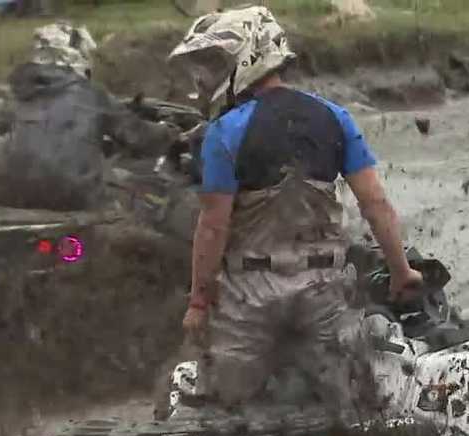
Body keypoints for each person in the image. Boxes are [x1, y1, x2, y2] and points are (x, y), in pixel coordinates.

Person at [167, 6, 423, 412]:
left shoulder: (225, 132)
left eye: (215, 63)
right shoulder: (334, 117)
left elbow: (213, 226)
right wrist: (400, 270)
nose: (206, 76)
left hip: (249, 297)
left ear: (249, 57)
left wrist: (199, 302)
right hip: (323, 288)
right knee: (343, 407)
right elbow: (375, 204)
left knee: (227, 412)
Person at [0, 22, 178, 211]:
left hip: (16, 196)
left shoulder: (19, 93)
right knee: (137, 198)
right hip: (76, 197)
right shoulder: (92, 94)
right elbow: (139, 137)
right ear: (74, 55)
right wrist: (169, 133)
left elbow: (1, 126)